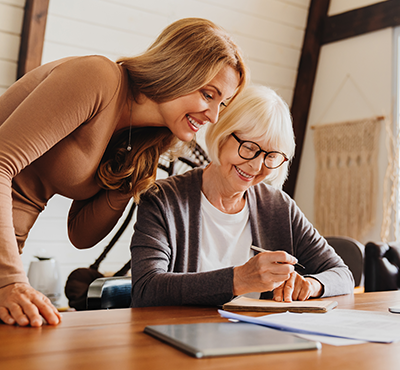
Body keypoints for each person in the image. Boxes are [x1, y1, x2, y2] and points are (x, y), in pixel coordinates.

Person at [0, 18, 247, 327]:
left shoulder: (144, 143)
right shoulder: (98, 77)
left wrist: (130, 179)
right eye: (209, 95)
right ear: (178, 69)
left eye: (222, 104)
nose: (213, 115)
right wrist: (10, 280)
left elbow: (81, 234)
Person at [130, 85, 354, 307]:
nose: (256, 166)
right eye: (249, 147)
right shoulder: (162, 200)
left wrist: (311, 285)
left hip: (259, 339)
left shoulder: (278, 207)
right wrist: (238, 279)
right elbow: (146, 289)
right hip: (178, 337)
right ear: (223, 135)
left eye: (271, 156)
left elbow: (342, 274)